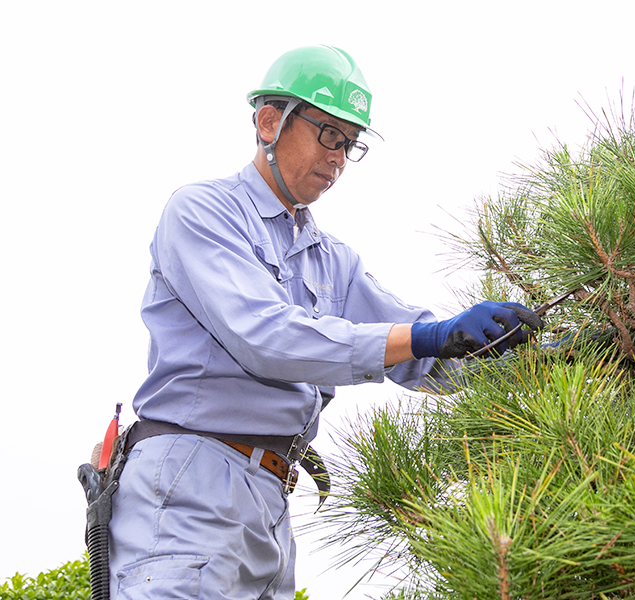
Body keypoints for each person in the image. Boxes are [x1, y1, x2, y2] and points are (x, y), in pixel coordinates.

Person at [107, 45, 543, 600]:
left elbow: (425, 350)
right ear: (270, 122)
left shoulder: (329, 258)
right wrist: (430, 335)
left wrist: (549, 362)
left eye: (352, 143)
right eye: (329, 134)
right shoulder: (202, 212)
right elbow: (264, 337)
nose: (339, 157)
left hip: (268, 502)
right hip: (191, 480)